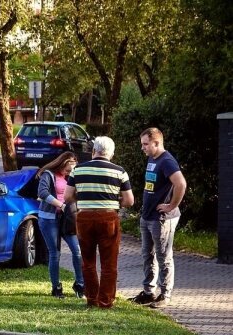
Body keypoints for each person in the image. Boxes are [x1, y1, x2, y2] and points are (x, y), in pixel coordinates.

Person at [64, 136, 134, 308]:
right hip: (108, 218)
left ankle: (92, 298)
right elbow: (129, 201)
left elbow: (67, 197)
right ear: (111, 153)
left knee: (87, 261)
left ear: (93, 151)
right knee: (109, 262)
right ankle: (105, 300)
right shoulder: (119, 171)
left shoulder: (77, 170)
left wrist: (83, 198)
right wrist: (114, 201)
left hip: (85, 218)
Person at [128, 127, 187, 309]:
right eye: (142, 144)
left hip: (162, 219)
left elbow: (181, 183)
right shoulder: (153, 159)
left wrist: (171, 206)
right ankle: (148, 292)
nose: (143, 148)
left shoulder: (167, 161)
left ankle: (165, 294)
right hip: (147, 216)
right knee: (148, 255)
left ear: (156, 143)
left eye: (145, 144)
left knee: (163, 256)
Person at [36, 151, 84, 299]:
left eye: (72, 171)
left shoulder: (72, 176)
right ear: (62, 164)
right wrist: (61, 205)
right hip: (49, 219)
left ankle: (80, 284)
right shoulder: (48, 174)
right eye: (67, 170)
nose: (69, 173)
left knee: (77, 251)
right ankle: (56, 287)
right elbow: (42, 193)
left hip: (67, 219)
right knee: (55, 253)